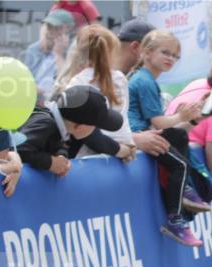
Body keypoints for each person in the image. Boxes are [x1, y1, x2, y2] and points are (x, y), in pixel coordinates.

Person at [128, 29, 212, 247]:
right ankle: (175, 221)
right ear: (147, 53)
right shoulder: (144, 80)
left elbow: (166, 126)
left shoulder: (146, 78)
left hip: (147, 133)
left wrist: (193, 117)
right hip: (142, 136)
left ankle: (185, 190)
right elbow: (159, 122)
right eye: (165, 53)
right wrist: (181, 115)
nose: (171, 59)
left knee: (177, 135)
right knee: (180, 166)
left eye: (175, 56)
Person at [52, 24, 136, 162]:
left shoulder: (77, 83)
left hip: (88, 156)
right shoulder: (120, 79)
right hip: (122, 149)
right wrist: (126, 146)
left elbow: (76, 129)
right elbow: (123, 117)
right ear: (111, 52)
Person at [16, 84, 124, 176]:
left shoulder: (56, 122)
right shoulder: (46, 123)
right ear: (80, 127)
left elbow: (56, 142)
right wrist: (50, 162)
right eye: (95, 126)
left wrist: (60, 155)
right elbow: (19, 149)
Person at [21, 9, 75, 102]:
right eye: (48, 26)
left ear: (68, 31)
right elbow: (23, 80)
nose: (50, 31)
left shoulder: (73, 53)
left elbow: (67, 88)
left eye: (56, 28)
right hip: (30, 102)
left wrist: (58, 54)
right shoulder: (34, 49)